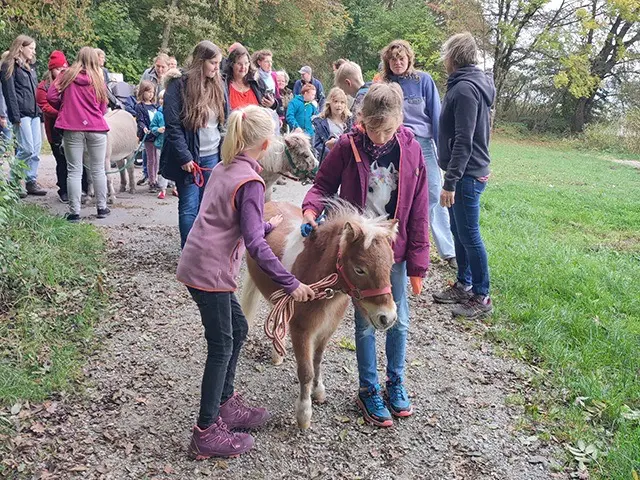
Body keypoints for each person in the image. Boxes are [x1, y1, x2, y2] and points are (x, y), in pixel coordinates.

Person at [177, 105, 315, 459]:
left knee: (237, 329)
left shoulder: (227, 167)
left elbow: (231, 219)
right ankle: (205, 431)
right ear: (268, 143)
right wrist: (289, 283)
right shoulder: (251, 182)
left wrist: (264, 226)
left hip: (200, 262)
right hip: (210, 271)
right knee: (222, 344)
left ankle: (226, 404)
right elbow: (255, 245)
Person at [302, 83, 429, 427]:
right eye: (373, 128)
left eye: (386, 129)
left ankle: (396, 382)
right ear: (361, 119)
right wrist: (311, 211)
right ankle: (368, 387)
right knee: (364, 323)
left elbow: (418, 210)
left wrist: (418, 262)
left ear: (400, 121)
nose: (378, 136)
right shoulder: (347, 146)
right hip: (359, 248)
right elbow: (321, 185)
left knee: (398, 318)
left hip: (393, 250)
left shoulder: (411, 150)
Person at [433, 33, 495, 319]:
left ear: (453, 57)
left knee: (470, 234)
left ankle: (481, 296)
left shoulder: (466, 90)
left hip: (466, 175)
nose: (444, 59)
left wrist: (450, 181)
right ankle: (463, 284)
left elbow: (464, 140)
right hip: (465, 172)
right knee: (458, 231)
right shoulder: (466, 85)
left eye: (445, 54)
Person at [381, 39, 457, 268]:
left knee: (434, 191)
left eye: (401, 57)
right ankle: (396, 243)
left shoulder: (423, 80)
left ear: (409, 58)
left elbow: (436, 115)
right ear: (387, 62)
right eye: (393, 59)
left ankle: (447, 250)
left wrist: (442, 148)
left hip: (423, 143)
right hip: (395, 143)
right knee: (394, 193)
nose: (397, 62)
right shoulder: (384, 83)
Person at [159, 40, 229, 247]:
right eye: (213, 63)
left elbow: (226, 119)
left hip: (213, 156)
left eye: (218, 63)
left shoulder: (218, 84)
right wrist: (184, 157)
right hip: (190, 159)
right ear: (201, 61)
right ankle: (189, 253)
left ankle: (202, 250)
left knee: (206, 207)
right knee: (189, 206)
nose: (217, 67)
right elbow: (172, 124)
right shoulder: (178, 85)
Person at [47, 46, 110, 222]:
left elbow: (51, 96)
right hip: (96, 128)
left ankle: (74, 212)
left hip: (72, 127)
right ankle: (102, 208)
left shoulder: (66, 75)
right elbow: (103, 106)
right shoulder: (98, 77)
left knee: (74, 170)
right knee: (98, 169)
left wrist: (65, 108)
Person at [36, 50, 87, 203]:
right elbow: (44, 105)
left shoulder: (71, 81)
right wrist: (63, 113)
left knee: (79, 159)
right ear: (51, 69)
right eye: (58, 69)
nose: (61, 72)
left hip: (72, 126)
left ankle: (83, 188)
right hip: (55, 129)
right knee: (62, 161)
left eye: (64, 69)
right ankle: (63, 190)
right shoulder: (43, 87)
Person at [0, 35, 46, 196]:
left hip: (34, 112)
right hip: (21, 113)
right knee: (26, 148)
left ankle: (30, 180)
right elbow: (9, 93)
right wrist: (15, 116)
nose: (34, 52)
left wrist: (40, 111)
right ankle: (13, 181)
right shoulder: (9, 65)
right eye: (31, 48)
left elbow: (34, 91)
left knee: (36, 149)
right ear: (21, 47)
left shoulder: (30, 67)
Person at [223, 47, 276, 111]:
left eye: (246, 63)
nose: (243, 67)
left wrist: (272, 104)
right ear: (231, 64)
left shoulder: (256, 82)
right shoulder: (224, 84)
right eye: (239, 64)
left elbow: (271, 104)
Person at [312, 87, 352, 163]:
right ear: (329, 103)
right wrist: (331, 153)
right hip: (327, 161)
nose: (339, 105)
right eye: (335, 101)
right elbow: (317, 144)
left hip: (345, 161)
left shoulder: (349, 121)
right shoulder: (321, 122)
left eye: (342, 102)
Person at [150, 90, 176, 200]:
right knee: (161, 166)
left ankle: (175, 186)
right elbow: (152, 127)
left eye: (164, 98)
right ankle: (162, 188)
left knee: (175, 165)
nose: (162, 101)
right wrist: (158, 130)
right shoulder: (158, 114)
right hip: (161, 144)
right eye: (160, 98)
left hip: (173, 144)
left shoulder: (175, 112)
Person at [136, 80, 159, 191]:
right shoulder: (140, 106)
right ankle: (152, 181)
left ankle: (156, 178)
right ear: (142, 92)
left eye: (152, 92)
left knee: (157, 158)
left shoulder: (155, 107)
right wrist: (144, 127)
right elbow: (140, 120)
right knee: (151, 159)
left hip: (157, 135)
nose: (150, 94)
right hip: (148, 136)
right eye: (148, 92)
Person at [0, 52, 12, 154]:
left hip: (6, 113)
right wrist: (3, 115)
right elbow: (2, 96)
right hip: (5, 114)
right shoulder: (3, 77)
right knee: (6, 143)